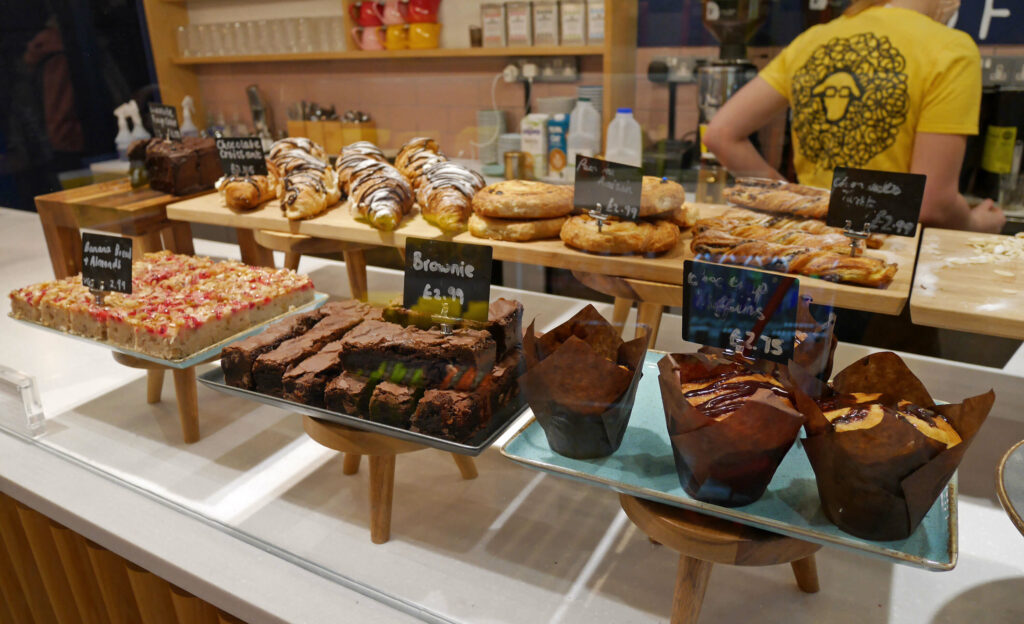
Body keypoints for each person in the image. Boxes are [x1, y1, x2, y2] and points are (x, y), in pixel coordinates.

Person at [703, 0, 1006, 233]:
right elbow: (932, 205)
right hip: (889, 267)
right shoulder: (951, 49)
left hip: (815, 249)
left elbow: (720, 135)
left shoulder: (814, 40)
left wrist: (798, 203)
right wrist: (977, 224)